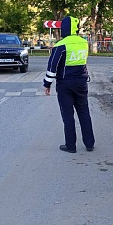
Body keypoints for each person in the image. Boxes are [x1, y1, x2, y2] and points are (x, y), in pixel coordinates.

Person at [43, 16, 95, 153]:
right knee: (84, 112)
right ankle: (89, 143)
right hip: (82, 82)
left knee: (68, 115)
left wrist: (47, 84)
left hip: (65, 84)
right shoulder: (84, 43)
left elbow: (52, 67)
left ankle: (70, 146)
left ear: (64, 28)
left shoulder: (60, 45)